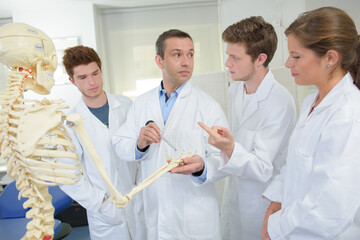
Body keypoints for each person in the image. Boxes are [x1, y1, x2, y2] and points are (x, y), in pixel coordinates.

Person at [173, 16, 297, 239]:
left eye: (234, 57)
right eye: (227, 55)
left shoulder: (279, 101)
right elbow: (238, 147)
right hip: (235, 197)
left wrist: (229, 148)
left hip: (262, 203)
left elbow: (261, 167)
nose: (227, 63)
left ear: (260, 59)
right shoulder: (236, 90)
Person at [112, 29, 228, 240]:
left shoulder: (208, 106)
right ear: (159, 60)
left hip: (194, 215)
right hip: (156, 211)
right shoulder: (142, 104)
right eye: (177, 54)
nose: (186, 62)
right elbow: (120, 144)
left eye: (190, 54)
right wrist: (139, 144)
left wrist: (202, 167)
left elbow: (224, 158)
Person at [261, 7, 360, 239]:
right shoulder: (310, 103)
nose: (287, 63)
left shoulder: (349, 114)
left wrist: (276, 228)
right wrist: (274, 205)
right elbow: (294, 163)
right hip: (293, 226)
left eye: (296, 56)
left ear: (330, 58)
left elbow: (330, 205)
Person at [59, 45, 146, 240]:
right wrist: (101, 203)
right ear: (72, 81)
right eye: (82, 78)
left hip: (136, 199)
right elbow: (67, 176)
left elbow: (139, 152)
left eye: (95, 73)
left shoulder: (125, 105)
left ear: (100, 70)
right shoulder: (70, 122)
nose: (92, 82)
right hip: (105, 211)